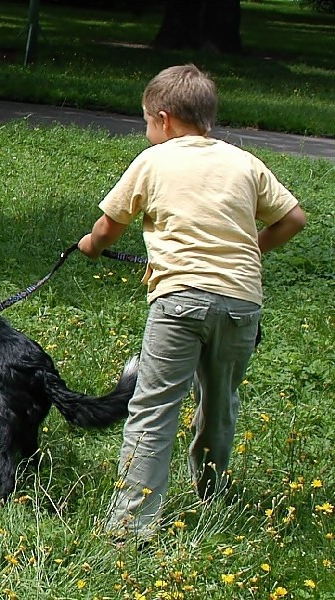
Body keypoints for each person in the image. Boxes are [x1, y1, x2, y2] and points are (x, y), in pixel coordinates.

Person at [78, 64, 306, 542]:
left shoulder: (154, 160)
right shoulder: (244, 162)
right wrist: (250, 249)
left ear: (163, 119)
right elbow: (294, 219)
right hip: (241, 303)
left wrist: (91, 247)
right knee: (219, 403)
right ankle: (213, 493)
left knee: (154, 406)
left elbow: (107, 227)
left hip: (179, 301)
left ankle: (131, 525)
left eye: (145, 122)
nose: (147, 132)